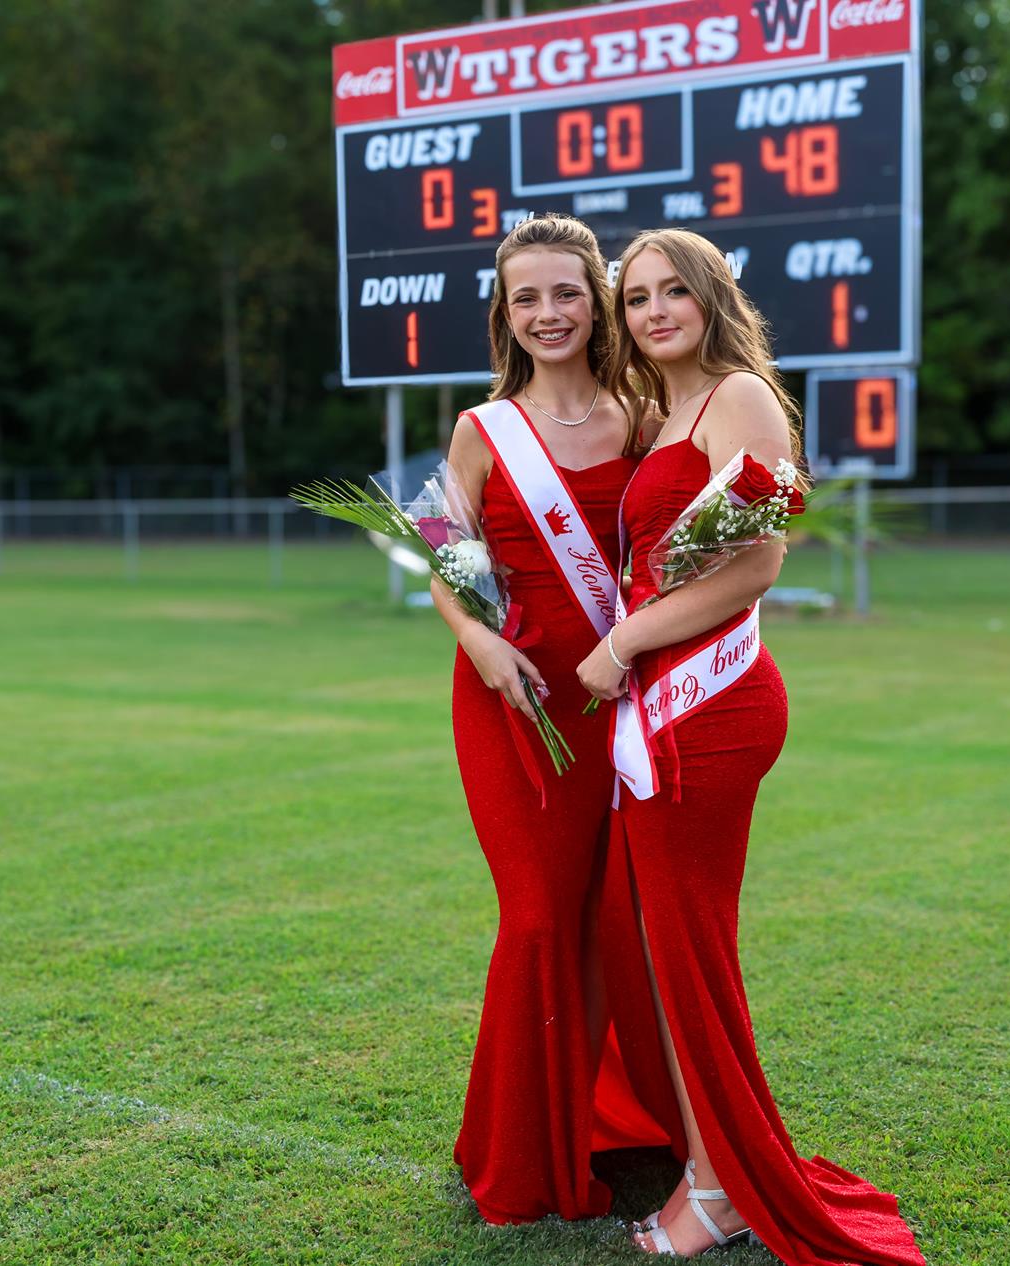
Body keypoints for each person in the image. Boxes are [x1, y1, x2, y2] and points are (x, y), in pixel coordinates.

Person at [576, 228, 926, 1265]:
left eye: (672, 290)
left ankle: (723, 1189)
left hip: (708, 710)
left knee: (687, 951)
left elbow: (757, 562)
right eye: (633, 297)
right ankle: (709, 1164)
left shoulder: (738, 395)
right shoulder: (661, 411)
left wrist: (626, 641)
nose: (651, 311)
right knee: (668, 949)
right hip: (664, 706)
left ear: (712, 296)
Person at [437, 213, 664, 1224]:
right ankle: (518, 1153)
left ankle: (594, 1116)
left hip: (616, 696)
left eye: (564, 292)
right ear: (505, 312)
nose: (547, 313)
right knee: (534, 916)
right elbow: (448, 560)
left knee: (596, 919)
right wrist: (483, 646)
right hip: (508, 697)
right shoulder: (481, 430)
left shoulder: (641, 417)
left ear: (596, 299)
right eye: (525, 297)